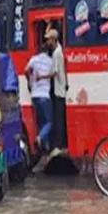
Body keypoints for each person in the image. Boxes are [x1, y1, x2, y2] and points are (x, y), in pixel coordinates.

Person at [25, 44, 53, 154]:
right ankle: (40, 138)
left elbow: (26, 70)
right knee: (49, 122)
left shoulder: (34, 59)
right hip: (44, 96)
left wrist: (29, 82)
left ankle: (45, 148)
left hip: (35, 96)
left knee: (42, 122)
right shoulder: (50, 61)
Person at [46, 28, 68, 156]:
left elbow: (54, 72)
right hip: (60, 89)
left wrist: (41, 77)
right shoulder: (58, 51)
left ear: (54, 40)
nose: (47, 41)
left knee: (58, 119)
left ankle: (58, 146)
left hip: (58, 91)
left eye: (49, 39)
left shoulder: (56, 53)